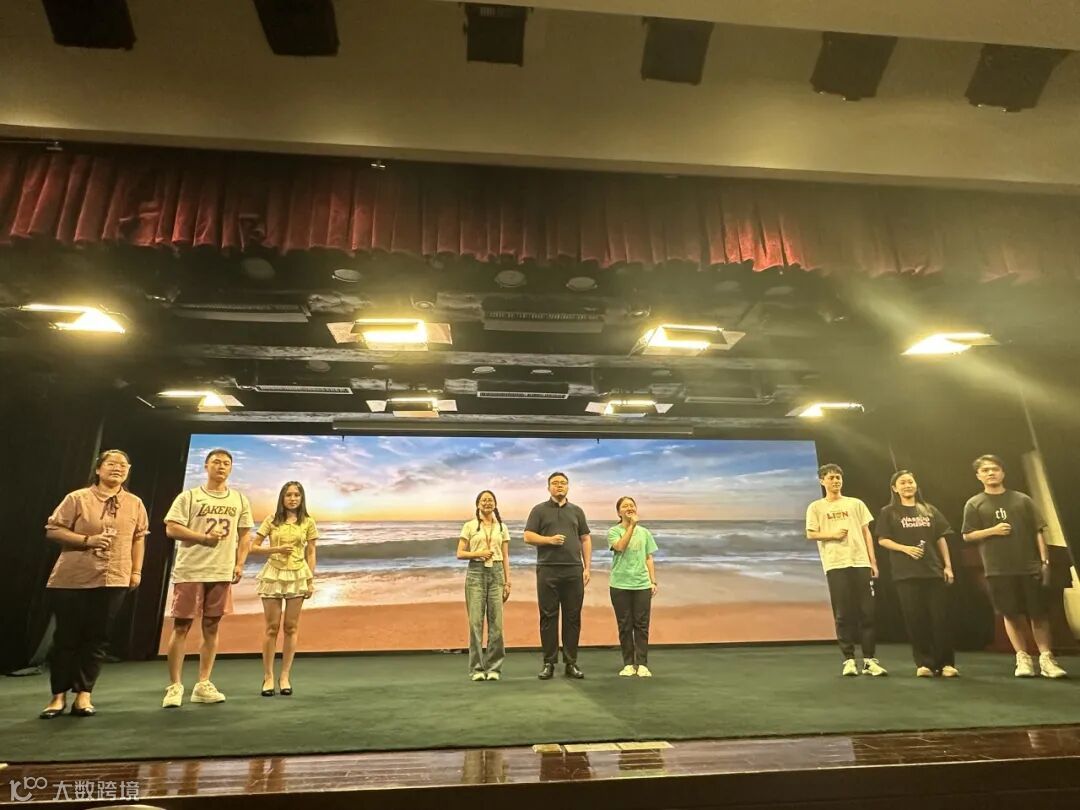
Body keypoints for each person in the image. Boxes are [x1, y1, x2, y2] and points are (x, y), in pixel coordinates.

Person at [39, 450, 148, 718]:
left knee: (98, 638)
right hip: (73, 578)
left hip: (115, 577)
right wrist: (88, 541)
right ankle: (58, 696)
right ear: (98, 469)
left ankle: (84, 694)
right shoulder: (77, 498)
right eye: (111, 464)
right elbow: (53, 530)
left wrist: (136, 571)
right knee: (66, 637)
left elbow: (139, 538)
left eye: (123, 465)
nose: (118, 468)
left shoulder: (135, 503)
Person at [161, 448, 253, 708]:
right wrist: (203, 538)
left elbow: (245, 534)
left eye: (226, 463)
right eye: (216, 462)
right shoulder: (189, 496)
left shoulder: (239, 499)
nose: (221, 467)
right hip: (191, 569)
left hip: (221, 570)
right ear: (206, 466)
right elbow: (171, 528)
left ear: (231, 468)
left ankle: (203, 683)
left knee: (212, 626)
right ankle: (175, 685)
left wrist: (239, 563)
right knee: (181, 626)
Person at [961, 454, 1067, 679]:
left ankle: (1047, 658)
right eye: (985, 470)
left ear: (1003, 472)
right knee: (1010, 614)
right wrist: (992, 531)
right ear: (978, 476)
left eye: (995, 469)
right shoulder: (974, 503)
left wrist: (1044, 561)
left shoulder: (1022, 500)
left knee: (1038, 614)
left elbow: (1038, 531)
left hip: (1029, 566)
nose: (991, 473)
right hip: (997, 568)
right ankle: (1022, 658)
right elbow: (967, 535)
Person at [236, 481, 318, 696]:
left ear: (302, 498)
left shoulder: (308, 522)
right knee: (272, 627)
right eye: (288, 495)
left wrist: (310, 580)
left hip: (298, 575)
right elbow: (253, 547)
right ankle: (268, 676)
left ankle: (285, 676)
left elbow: (311, 552)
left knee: (291, 627)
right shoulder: (271, 520)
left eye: (297, 495)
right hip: (274, 574)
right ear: (282, 498)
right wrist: (276, 549)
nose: (292, 499)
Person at [805, 463, 887, 677]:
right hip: (835, 563)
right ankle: (849, 660)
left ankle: (869, 660)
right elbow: (811, 533)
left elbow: (866, 532)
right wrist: (832, 535)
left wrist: (873, 561)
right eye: (831, 478)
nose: (835, 481)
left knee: (867, 612)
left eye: (838, 477)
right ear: (822, 481)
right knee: (843, 613)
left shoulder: (855, 503)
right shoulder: (816, 507)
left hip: (860, 562)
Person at [876, 470, 958, 678]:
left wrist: (948, 566)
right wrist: (906, 549)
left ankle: (946, 663)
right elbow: (883, 539)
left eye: (910, 482)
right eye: (902, 483)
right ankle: (924, 663)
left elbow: (941, 537)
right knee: (916, 619)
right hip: (906, 574)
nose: (907, 485)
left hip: (933, 571)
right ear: (894, 488)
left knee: (941, 619)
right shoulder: (889, 512)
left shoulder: (929, 509)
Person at [524, 472, 592, 680]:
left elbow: (585, 539)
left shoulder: (577, 511)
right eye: (555, 483)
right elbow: (528, 536)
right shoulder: (539, 510)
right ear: (548, 488)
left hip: (573, 570)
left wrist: (587, 568)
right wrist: (549, 540)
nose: (559, 486)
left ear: (568, 487)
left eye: (563, 483)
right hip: (548, 570)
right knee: (548, 617)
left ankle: (571, 663)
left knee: (573, 617)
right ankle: (549, 663)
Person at [456, 490, 511, 681]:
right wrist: (478, 554)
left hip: (497, 573)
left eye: (490, 500)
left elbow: (505, 556)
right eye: (484, 500)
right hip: (476, 573)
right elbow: (460, 553)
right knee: (475, 623)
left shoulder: (502, 527)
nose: (487, 502)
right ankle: (477, 669)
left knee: (497, 624)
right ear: (478, 504)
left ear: (495, 504)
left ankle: (494, 668)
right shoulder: (470, 526)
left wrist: (507, 581)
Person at [607, 496, 658, 677]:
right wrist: (631, 526)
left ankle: (642, 664)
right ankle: (628, 664)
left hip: (641, 584)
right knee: (625, 625)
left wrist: (653, 581)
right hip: (620, 584)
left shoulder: (645, 533)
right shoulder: (613, 531)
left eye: (632, 505)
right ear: (618, 512)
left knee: (642, 625)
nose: (629, 508)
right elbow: (620, 547)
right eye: (625, 506)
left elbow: (648, 558)